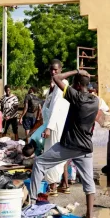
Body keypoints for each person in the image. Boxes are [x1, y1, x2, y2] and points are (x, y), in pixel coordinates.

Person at [30, 69, 99, 218]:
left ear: (79, 85)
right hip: (86, 147)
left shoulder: (76, 97)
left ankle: (32, 204)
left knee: (39, 163)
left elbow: (56, 77)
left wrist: (76, 70)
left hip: (70, 145)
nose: (73, 86)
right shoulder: (95, 101)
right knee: (89, 184)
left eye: (75, 84)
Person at [42, 59, 70, 197]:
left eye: (56, 70)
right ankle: (64, 184)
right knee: (59, 154)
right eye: (51, 70)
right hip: (54, 124)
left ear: (61, 70)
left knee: (52, 153)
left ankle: (53, 185)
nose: (53, 72)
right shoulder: (54, 86)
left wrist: (49, 127)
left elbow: (56, 108)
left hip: (56, 125)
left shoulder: (62, 85)